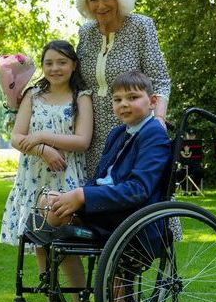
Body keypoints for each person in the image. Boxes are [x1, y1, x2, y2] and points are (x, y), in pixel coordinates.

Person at [0, 40, 93, 300]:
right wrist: (42, 150)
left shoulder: (81, 97)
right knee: (41, 243)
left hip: (67, 177)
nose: (55, 68)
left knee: (65, 244)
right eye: (49, 63)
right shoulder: (32, 95)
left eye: (62, 62)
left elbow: (82, 140)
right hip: (34, 177)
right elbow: (17, 137)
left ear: (73, 65)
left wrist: (41, 136)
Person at [41, 71, 171, 239]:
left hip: (127, 215)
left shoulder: (154, 133)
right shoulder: (117, 134)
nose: (124, 104)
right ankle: (53, 256)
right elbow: (100, 176)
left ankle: (58, 249)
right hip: (105, 207)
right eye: (117, 99)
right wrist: (80, 195)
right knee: (46, 201)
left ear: (153, 101)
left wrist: (83, 196)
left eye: (132, 98)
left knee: (53, 211)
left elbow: (139, 190)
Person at [76, 0, 171, 176]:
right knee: (95, 192)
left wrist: (159, 119)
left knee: (127, 190)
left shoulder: (141, 26)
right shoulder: (86, 33)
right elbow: (75, 81)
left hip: (132, 127)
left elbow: (161, 80)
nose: (100, 5)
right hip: (91, 131)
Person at [176, 128, 204, 196]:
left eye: (192, 135)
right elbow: (177, 155)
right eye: (189, 135)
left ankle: (194, 191)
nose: (191, 136)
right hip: (184, 165)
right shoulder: (181, 143)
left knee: (199, 171)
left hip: (195, 165)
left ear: (195, 136)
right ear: (187, 135)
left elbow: (202, 156)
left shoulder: (199, 144)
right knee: (178, 172)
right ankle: (184, 190)